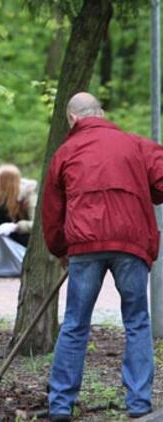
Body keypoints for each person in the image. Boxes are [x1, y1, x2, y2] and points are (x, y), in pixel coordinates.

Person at [42, 92, 163, 421]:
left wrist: (60, 249)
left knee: (75, 325)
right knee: (137, 322)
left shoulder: (65, 152)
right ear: (101, 112)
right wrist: (144, 188)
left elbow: (51, 212)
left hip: (85, 246)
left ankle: (60, 405)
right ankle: (138, 403)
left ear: (72, 119)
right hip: (131, 244)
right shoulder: (135, 144)